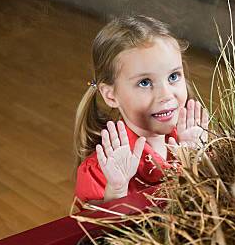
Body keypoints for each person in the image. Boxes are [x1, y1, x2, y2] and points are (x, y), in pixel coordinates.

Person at [73, 15, 209, 204]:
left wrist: (197, 160)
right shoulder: (100, 169)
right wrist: (116, 191)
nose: (166, 95)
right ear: (111, 95)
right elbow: (97, 231)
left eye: (173, 77)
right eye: (144, 82)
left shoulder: (192, 139)